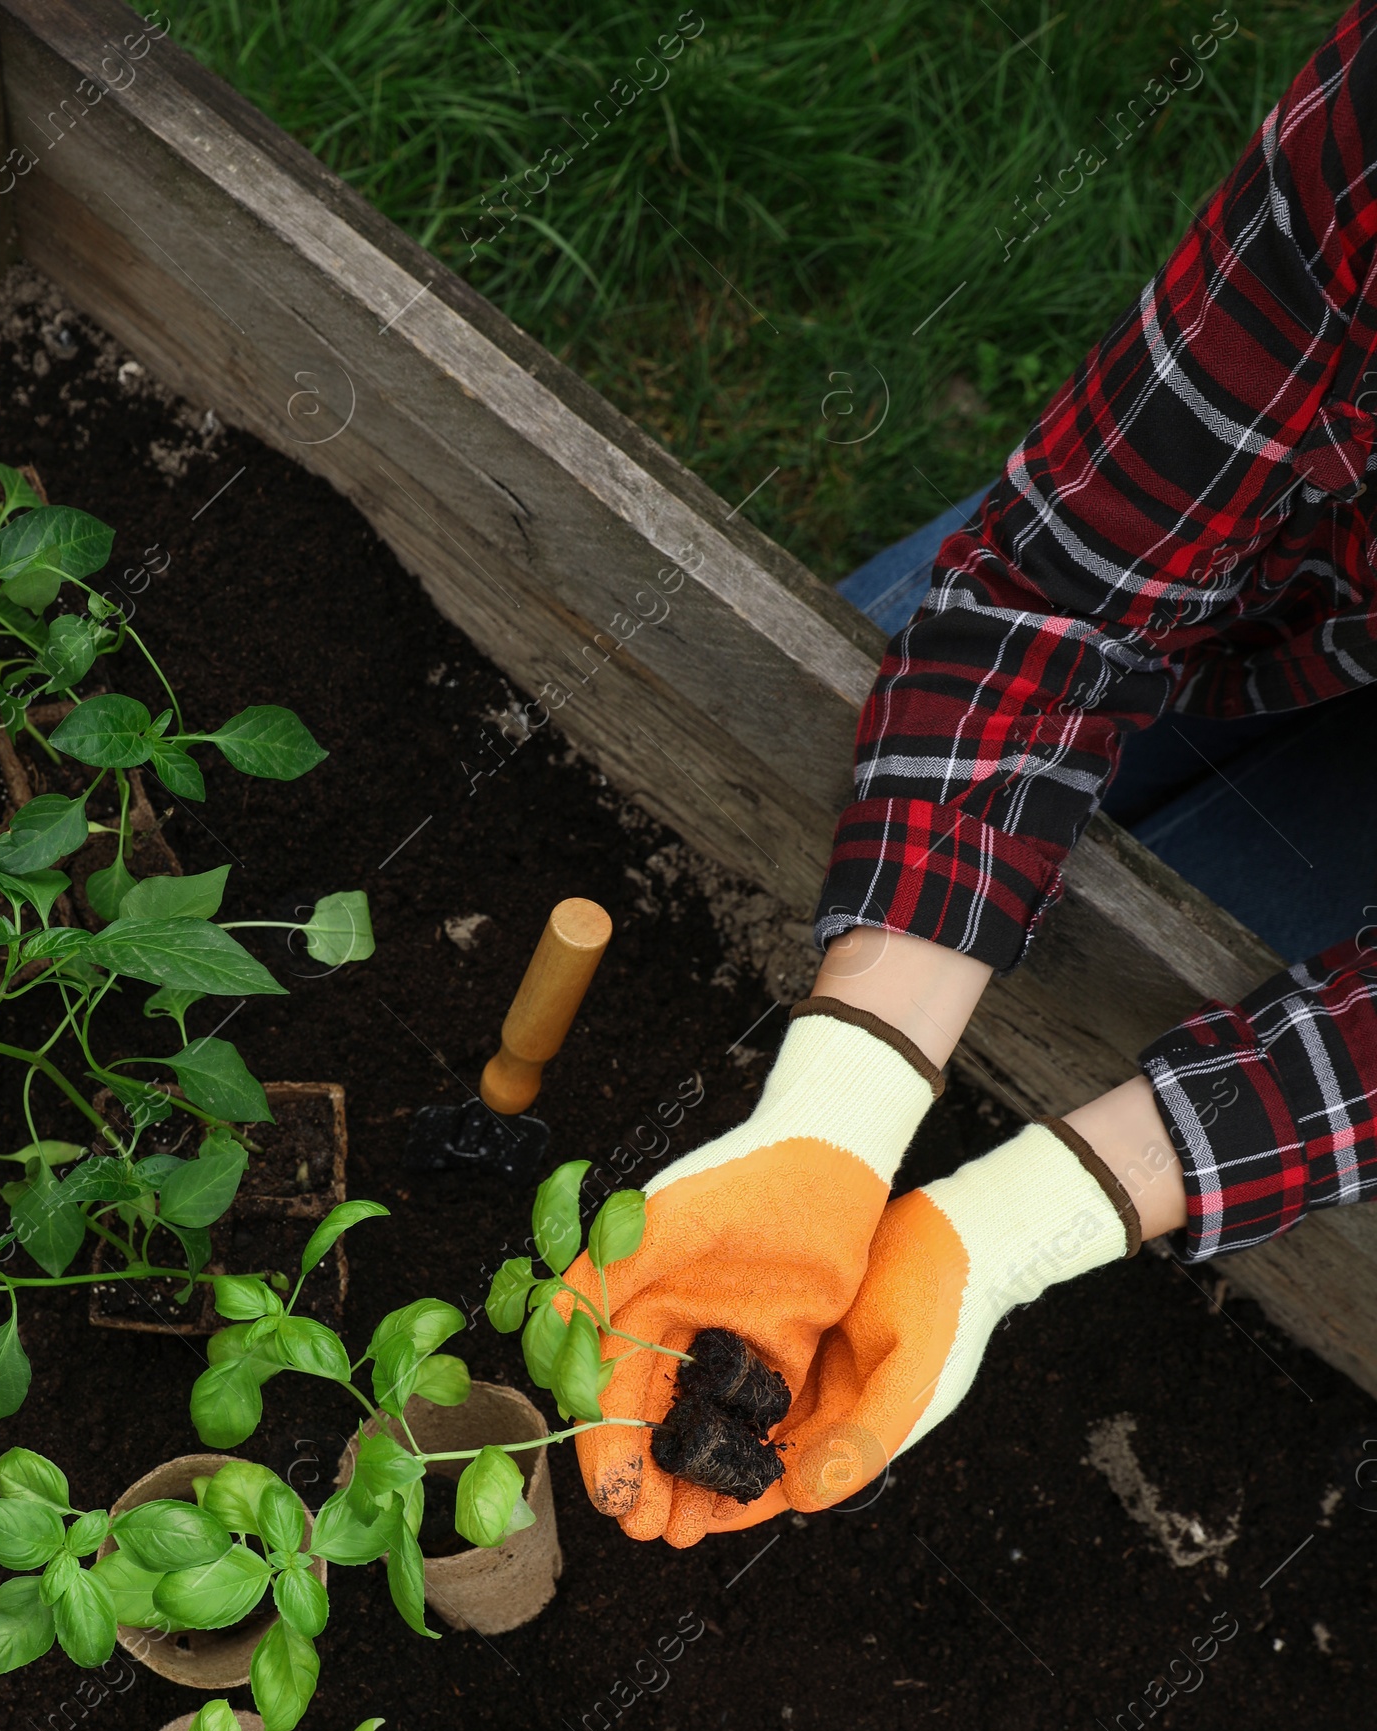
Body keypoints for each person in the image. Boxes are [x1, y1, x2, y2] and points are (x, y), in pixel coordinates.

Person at [567, 0, 1377, 1548]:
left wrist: (1033, 1220)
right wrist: (848, 1096)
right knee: (851, 692)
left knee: (1186, 947)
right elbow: (1073, 582)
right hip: (1315, 574)